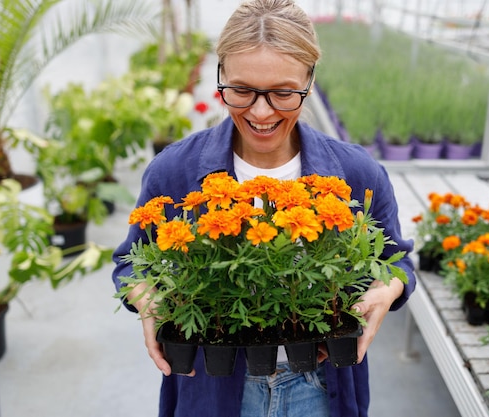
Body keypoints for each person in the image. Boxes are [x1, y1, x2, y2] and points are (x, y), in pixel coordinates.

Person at [111, 1, 416, 416]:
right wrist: (147, 298)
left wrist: (387, 289)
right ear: (219, 75)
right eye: (240, 89)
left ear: (310, 80)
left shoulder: (357, 173)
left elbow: (397, 263)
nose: (260, 111)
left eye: (283, 93)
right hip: (212, 384)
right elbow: (131, 263)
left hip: (320, 386)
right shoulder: (174, 171)